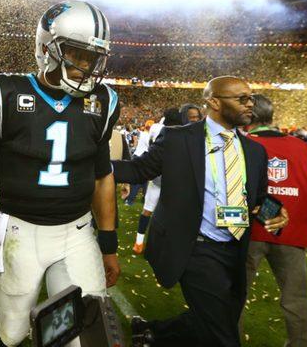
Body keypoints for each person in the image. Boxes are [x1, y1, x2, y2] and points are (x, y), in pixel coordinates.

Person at [0, 1, 120, 347]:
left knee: (88, 333)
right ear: (47, 47)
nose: (86, 66)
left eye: (93, 57)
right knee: (11, 335)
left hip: (77, 231)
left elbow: (102, 176)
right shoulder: (3, 94)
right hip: (20, 231)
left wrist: (108, 243)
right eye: (76, 53)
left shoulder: (103, 101)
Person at [112, 76, 289, 347]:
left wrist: (273, 213)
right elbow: (139, 169)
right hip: (196, 248)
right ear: (214, 102)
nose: (250, 104)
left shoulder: (254, 151)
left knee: (221, 317)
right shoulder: (178, 139)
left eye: (251, 98)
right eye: (241, 98)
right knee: (223, 337)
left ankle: (151, 333)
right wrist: (92, 163)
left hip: (235, 249)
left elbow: (258, 197)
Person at [243, 94, 307, 347]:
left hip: (250, 232)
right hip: (291, 232)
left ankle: (226, 341)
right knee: (296, 300)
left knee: (235, 295)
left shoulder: (243, 144)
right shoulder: (301, 146)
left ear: (249, 116)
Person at [132, 108, 182, 254]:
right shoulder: (182, 133)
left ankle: (139, 243)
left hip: (158, 179)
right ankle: (157, 245)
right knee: (168, 214)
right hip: (171, 181)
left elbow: (150, 145)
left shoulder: (157, 128)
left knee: (147, 211)